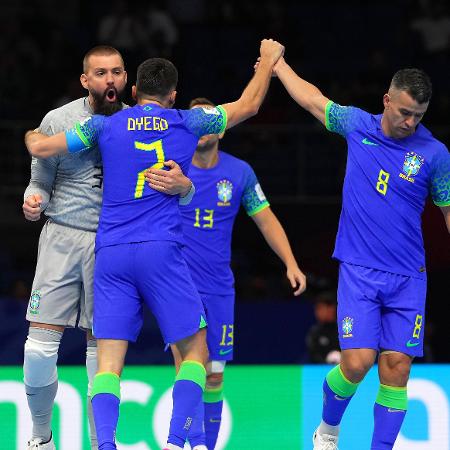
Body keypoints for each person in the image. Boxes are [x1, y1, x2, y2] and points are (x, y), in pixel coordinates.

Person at [24, 39, 285, 450]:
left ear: (132, 90)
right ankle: (176, 441)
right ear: (174, 95)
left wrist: (30, 135)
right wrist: (267, 62)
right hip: (160, 251)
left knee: (108, 363)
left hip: (110, 253)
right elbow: (248, 105)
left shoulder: (103, 125)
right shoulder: (187, 122)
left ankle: (106, 445)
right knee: (196, 352)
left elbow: (40, 146)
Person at [263, 57, 450, 450]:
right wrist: (278, 67)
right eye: (403, 112)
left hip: (409, 276)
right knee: (357, 362)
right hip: (360, 270)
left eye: (417, 116)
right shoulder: (357, 126)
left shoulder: (435, 154)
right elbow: (313, 100)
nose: (409, 123)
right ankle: (328, 429)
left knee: (397, 368)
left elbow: (448, 211)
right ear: (386, 101)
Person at [22, 45, 194, 450]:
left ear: (128, 81)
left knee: (102, 356)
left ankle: (103, 443)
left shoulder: (148, 122)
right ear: (86, 80)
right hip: (63, 237)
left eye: (117, 72)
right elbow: (40, 180)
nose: (110, 80)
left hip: (114, 245)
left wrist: (186, 187)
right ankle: (40, 437)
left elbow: (180, 180)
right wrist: (34, 200)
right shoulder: (59, 120)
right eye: (100, 73)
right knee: (39, 349)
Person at [146, 96, 307, 449]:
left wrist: (290, 262)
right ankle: (187, 443)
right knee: (190, 369)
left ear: (220, 127)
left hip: (219, 287)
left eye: (209, 120)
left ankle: (205, 445)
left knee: (215, 375)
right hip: (178, 284)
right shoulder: (171, 166)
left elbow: (265, 220)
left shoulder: (239, 173)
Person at [305, 290, 340, 364]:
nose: (317, 312)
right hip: (320, 372)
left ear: (331, 309)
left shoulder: (345, 330)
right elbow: (313, 355)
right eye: (316, 309)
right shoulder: (314, 333)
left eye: (320, 308)